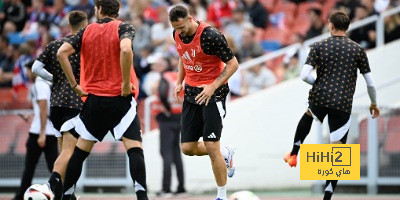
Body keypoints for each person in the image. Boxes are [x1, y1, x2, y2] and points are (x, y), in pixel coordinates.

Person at [283, 11, 380, 200]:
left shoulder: (319, 45)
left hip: (321, 97)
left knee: (308, 115)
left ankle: (294, 153)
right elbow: (370, 83)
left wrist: (318, 84)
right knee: (337, 150)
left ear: (330, 25)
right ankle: (328, 195)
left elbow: (304, 75)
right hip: (343, 102)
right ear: (348, 27)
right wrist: (374, 103)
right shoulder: (358, 49)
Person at [57, 0, 148, 199]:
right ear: (117, 10)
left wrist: (75, 86)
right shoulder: (124, 27)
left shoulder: (86, 30)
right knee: (134, 149)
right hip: (120, 99)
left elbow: (61, 53)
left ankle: (66, 195)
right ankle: (142, 197)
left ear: (98, 9)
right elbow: (125, 49)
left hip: (94, 100)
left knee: (80, 152)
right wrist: (125, 82)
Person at [169, 5, 238, 200]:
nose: (180, 32)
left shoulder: (211, 35)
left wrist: (213, 86)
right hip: (191, 94)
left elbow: (233, 64)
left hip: (213, 94)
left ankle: (222, 196)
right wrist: (178, 81)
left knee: (210, 145)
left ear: (190, 18)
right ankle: (226, 152)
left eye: (182, 27)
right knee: (188, 148)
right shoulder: (176, 33)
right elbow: (184, 56)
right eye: (176, 28)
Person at [31, 10, 88, 200]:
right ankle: (50, 185)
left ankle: (66, 196)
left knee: (65, 154)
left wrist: (53, 78)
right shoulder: (84, 46)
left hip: (55, 105)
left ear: (69, 24)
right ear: (84, 24)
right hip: (75, 104)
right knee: (69, 152)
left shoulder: (54, 44)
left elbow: (36, 68)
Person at [13, 61, 59, 200]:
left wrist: (42, 134)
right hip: (47, 132)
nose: (26, 73)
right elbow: (43, 109)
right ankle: (62, 194)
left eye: (27, 70)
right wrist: (32, 115)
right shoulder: (45, 84)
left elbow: (44, 107)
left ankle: (21, 196)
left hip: (40, 133)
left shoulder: (39, 84)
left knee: (30, 167)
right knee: (54, 167)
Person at [151, 57, 186, 197]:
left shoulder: (165, 77)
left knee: (166, 153)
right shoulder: (178, 77)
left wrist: (167, 110)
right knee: (176, 153)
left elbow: (163, 93)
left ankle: (166, 189)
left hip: (167, 119)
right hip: (179, 117)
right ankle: (181, 188)